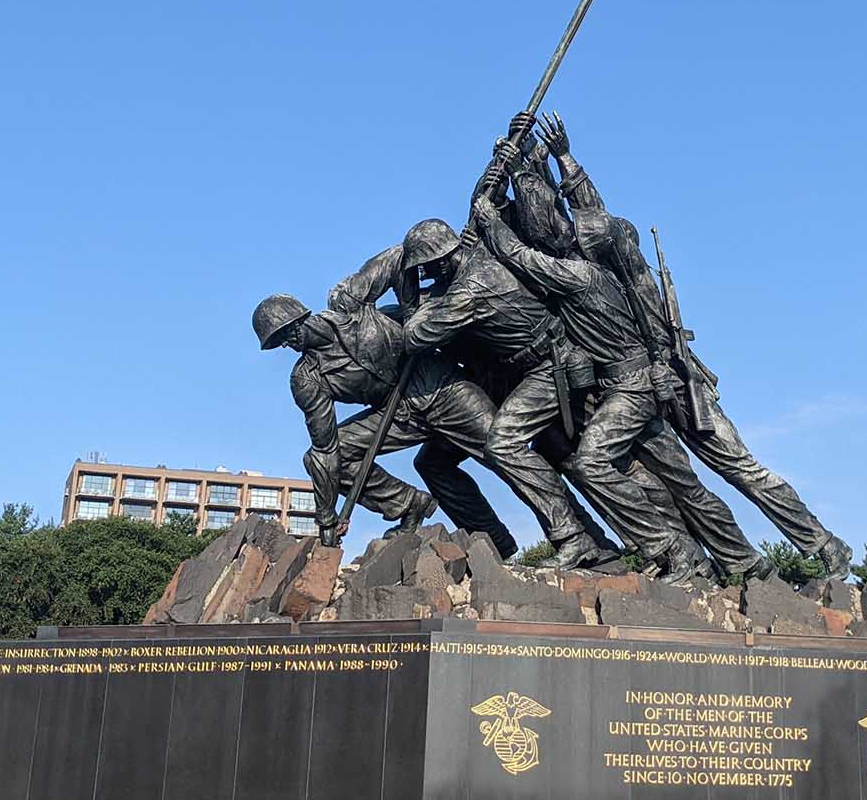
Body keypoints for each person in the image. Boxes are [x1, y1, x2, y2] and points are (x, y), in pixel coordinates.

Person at [539, 112, 854, 577]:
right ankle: (729, 564)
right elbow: (585, 215)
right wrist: (561, 158)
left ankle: (824, 545)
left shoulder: (637, 279)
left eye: (589, 244)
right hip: (640, 389)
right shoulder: (603, 272)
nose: (579, 246)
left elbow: (595, 225)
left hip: (681, 386)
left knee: (739, 468)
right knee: (680, 484)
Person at [469, 161, 709, 582]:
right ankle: (677, 551)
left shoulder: (578, 272)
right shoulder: (583, 263)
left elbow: (518, 253)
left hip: (631, 385)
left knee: (599, 464)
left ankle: (679, 550)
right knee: (636, 472)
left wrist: (491, 220)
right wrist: (522, 162)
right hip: (606, 385)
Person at [326, 224, 616, 569]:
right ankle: (494, 543)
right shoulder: (460, 271)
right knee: (432, 463)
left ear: (445, 260)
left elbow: (417, 335)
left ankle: (580, 538)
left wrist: (409, 303)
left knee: (504, 448)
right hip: (490, 378)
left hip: (533, 372)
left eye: (429, 268)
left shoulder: (472, 285)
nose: (426, 276)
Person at [251, 274, 517, 556]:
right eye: (280, 341)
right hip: (399, 416)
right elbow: (325, 449)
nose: (288, 342)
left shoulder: (353, 309)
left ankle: (565, 531)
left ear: (300, 315)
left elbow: (401, 267)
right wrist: (326, 518)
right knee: (333, 458)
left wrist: (413, 310)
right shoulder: (306, 379)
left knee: (503, 451)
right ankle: (411, 505)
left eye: (288, 332)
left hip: (441, 388)